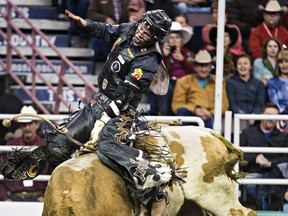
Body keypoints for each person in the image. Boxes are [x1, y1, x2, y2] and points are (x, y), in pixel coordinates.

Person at [1, 9, 174, 215]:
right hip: (98, 101)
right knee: (57, 144)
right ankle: (26, 172)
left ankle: (152, 186)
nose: (142, 31)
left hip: (121, 113)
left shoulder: (148, 62)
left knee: (107, 148)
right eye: (144, 25)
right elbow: (108, 30)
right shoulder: (130, 28)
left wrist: (103, 120)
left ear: (155, 37)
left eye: (149, 31)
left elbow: (125, 95)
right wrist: (85, 23)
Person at [240, 103, 288, 210]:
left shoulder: (284, 136)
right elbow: (238, 155)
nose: (271, 118)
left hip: (275, 175)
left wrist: (270, 162)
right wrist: (255, 158)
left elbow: (286, 158)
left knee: (275, 186)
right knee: (251, 182)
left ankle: (265, 207)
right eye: (268, 114)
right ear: (261, 114)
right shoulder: (247, 133)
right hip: (253, 172)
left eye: (274, 116)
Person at [0, 105, 51, 201]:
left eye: (30, 123)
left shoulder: (45, 146)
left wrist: (46, 197)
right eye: (24, 124)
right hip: (14, 198)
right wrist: (5, 198)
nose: (27, 127)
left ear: (37, 125)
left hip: (39, 199)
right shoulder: (10, 145)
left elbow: (52, 174)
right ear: (20, 127)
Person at [171, 49, 229, 128]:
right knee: (182, 111)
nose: (204, 69)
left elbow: (224, 105)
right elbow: (176, 105)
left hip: (210, 117)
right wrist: (195, 110)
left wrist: (210, 113)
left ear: (211, 67)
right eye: (201, 66)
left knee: (213, 121)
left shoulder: (219, 81)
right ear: (195, 67)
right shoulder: (183, 81)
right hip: (190, 116)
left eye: (207, 66)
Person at [148, 21, 194, 115]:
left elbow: (193, 70)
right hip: (168, 82)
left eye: (177, 37)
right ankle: (164, 117)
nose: (174, 40)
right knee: (166, 88)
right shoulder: (161, 53)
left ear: (182, 40)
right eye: (171, 38)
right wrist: (164, 56)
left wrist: (183, 59)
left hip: (184, 83)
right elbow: (157, 72)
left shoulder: (188, 53)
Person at [226, 54, 265, 129]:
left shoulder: (259, 83)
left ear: (250, 66)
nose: (242, 66)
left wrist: (254, 115)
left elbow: (260, 103)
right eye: (239, 64)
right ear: (236, 67)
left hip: (255, 119)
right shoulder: (231, 83)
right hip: (237, 119)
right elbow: (233, 104)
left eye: (245, 63)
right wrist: (243, 117)